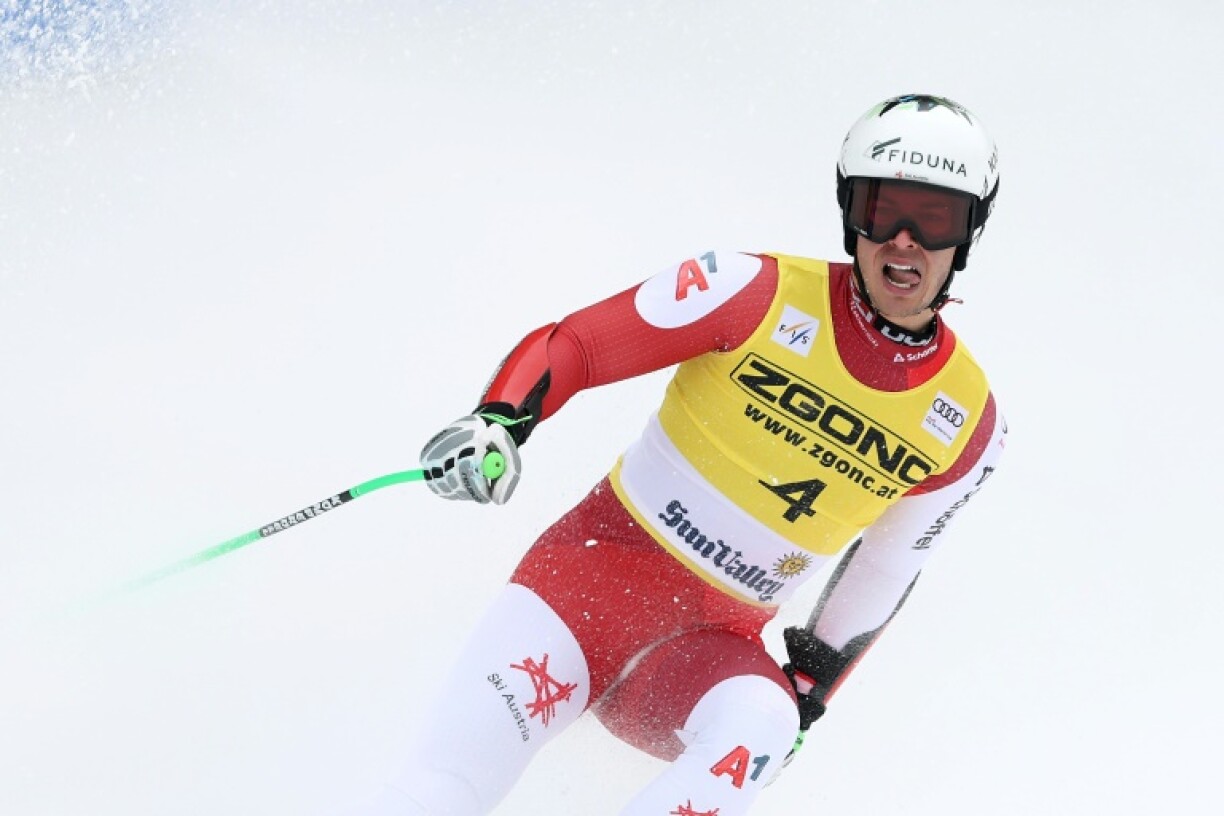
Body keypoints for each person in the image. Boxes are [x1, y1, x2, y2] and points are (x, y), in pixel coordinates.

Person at [365, 94, 1008, 815]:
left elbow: (890, 565)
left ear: (970, 231)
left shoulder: (970, 427)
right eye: (881, 209)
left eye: (937, 219)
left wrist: (810, 688)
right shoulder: (749, 289)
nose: (904, 240)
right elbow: (577, 344)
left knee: (767, 725)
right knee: (438, 794)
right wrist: (500, 421)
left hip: (700, 653)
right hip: (582, 591)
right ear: (848, 210)